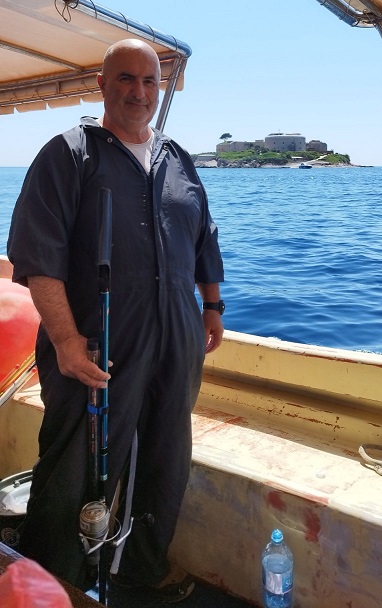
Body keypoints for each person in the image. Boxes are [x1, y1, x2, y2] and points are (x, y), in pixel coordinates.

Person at [7, 39, 224, 601]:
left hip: (176, 334)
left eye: (150, 81)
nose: (139, 91)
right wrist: (65, 340)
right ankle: (52, 581)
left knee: (165, 455)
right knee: (74, 461)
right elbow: (37, 256)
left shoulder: (178, 159)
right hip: (96, 338)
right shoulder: (69, 153)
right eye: (125, 78)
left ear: (161, 89)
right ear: (102, 85)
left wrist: (212, 305)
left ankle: (142, 570)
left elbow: (204, 236)